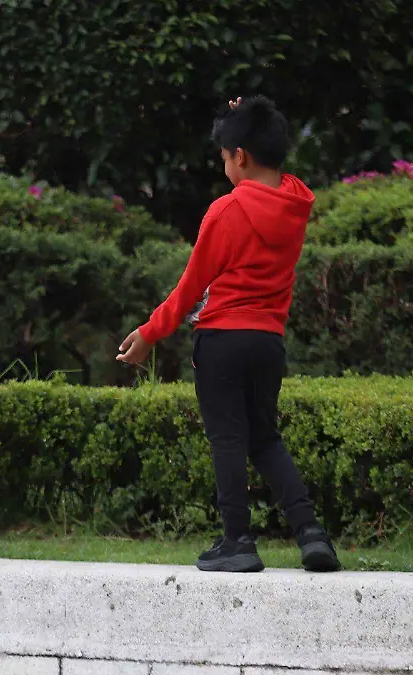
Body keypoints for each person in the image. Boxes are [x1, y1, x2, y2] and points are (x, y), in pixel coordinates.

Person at [117, 96, 341, 574]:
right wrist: (250, 114)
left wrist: (150, 332)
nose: (223, 164)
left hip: (221, 340)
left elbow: (190, 287)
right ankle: (310, 532)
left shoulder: (225, 211)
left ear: (240, 156)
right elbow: (275, 158)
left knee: (227, 440)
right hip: (267, 343)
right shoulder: (297, 205)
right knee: (265, 437)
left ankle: (237, 540)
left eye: (224, 156)